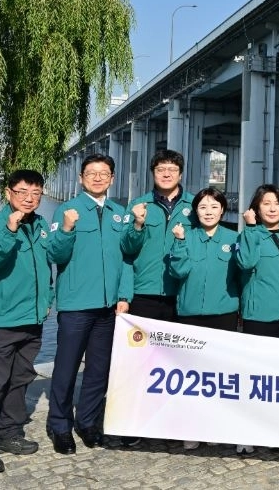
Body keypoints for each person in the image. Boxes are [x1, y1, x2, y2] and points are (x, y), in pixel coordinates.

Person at [0, 170, 54, 475]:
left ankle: (9, 433)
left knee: (21, 379)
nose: (30, 198)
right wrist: (9, 229)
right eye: (22, 192)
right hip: (0, 322)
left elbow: (46, 266)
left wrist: (47, 300)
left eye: (36, 192)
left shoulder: (42, 225)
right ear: (8, 193)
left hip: (32, 320)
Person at [46, 155, 128, 455]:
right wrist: (67, 229)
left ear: (112, 179)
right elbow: (54, 254)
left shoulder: (120, 214)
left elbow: (127, 259)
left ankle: (88, 421)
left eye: (103, 173)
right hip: (76, 305)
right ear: (81, 178)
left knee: (98, 370)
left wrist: (124, 296)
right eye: (91, 173)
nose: (97, 178)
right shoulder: (66, 211)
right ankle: (59, 425)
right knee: (66, 369)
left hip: (108, 307)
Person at [235, 184, 279, 455]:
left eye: (276, 202)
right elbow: (245, 262)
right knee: (257, 376)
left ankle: (278, 430)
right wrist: (252, 229)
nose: (272, 207)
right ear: (256, 207)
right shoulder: (249, 235)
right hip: (259, 315)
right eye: (266, 203)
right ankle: (250, 430)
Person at [168, 187, 240, 451]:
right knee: (190, 375)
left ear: (222, 209)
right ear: (195, 211)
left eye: (214, 207)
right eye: (202, 207)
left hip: (223, 314)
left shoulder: (234, 238)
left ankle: (214, 426)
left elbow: (241, 276)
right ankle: (190, 427)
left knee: (218, 375)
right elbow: (179, 270)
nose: (208, 212)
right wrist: (178, 241)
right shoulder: (186, 236)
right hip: (190, 313)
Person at [121, 149, 196, 322]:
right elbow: (127, 249)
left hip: (183, 292)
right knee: (142, 348)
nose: (167, 174)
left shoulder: (195, 206)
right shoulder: (138, 205)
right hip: (144, 293)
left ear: (181, 174)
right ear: (153, 173)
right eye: (161, 170)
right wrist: (138, 224)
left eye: (172, 169)